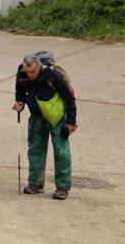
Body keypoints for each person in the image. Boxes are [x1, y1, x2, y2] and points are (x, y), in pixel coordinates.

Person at [13, 52, 77, 199]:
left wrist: (71, 122)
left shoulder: (52, 75)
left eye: (33, 71)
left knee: (61, 152)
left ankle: (62, 187)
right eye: (27, 71)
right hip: (37, 116)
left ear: (39, 67)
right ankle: (35, 183)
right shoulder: (21, 74)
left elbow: (69, 98)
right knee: (35, 150)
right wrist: (20, 103)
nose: (30, 75)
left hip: (57, 117)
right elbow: (20, 92)